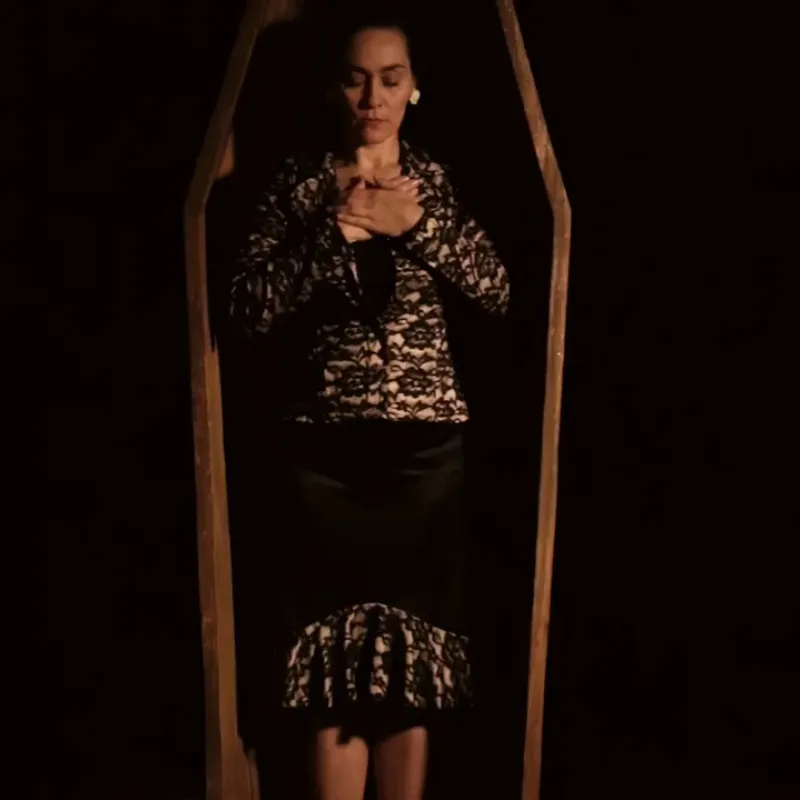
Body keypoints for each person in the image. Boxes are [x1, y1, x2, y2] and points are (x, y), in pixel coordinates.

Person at [227, 4, 510, 798]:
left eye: (390, 79)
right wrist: (336, 235)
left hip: (424, 458)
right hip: (325, 460)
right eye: (357, 80)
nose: (373, 98)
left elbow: (497, 289)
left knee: (409, 674)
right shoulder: (299, 183)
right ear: (334, 88)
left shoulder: (434, 180)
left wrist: (414, 226)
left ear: (414, 87)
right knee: (333, 674)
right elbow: (243, 307)